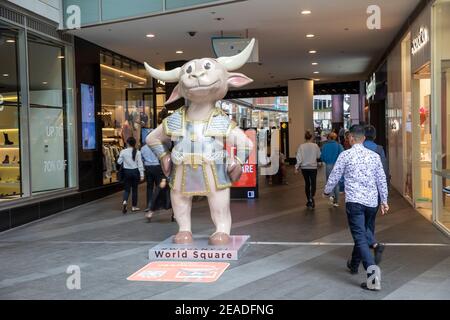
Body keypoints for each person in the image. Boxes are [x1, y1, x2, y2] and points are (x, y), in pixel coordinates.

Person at [324, 125, 389, 291]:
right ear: (364, 138)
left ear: (351, 138)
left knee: (360, 237)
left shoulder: (346, 155)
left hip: (354, 203)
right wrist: (384, 201)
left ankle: (373, 278)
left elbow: (335, 176)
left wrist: (326, 191)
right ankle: (354, 264)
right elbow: (381, 178)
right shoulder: (374, 156)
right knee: (364, 233)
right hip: (371, 203)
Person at [117, 137, 144, 214]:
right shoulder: (138, 152)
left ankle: (125, 201)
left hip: (126, 172)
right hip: (135, 172)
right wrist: (142, 174)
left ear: (127, 143)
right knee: (135, 190)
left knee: (126, 189)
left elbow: (119, 162)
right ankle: (134, 206)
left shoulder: (123, 151)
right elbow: (140, 164)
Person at [295, 131, 321, 209]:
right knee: (313, 183)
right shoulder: (315, 146)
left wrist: (296, 167)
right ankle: (311, 197)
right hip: (313, 167)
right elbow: (319, 155)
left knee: (307, 184)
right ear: (311, 138)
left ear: (305, 138)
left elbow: (299, 157)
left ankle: (309, 200)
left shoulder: (301, 146)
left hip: (304, 168)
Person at [141, 141, 164, 218]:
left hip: (148, 168)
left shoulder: (143, 148)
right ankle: (158, 205)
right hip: (157, 167)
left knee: (149, 187)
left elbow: (142, 159)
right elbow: (161, 157)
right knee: (158, 187)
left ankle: (149, 205)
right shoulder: (156, 147)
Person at [320, 132, 344, 207]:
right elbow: (343, 155)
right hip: (337, 165)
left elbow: (322, 157)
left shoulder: (325, 146)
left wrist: (326, 161)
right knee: (336, 183)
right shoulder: (338, 145)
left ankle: (331, 195)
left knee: (329, 181)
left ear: (328, 138)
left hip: (328, 165)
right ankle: (336, 201)